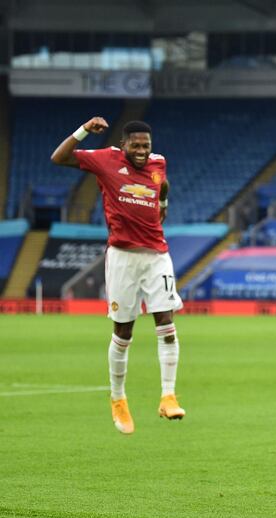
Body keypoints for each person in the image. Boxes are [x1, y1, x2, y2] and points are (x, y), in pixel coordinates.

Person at [51, 118, 185, 435]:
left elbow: (162, 183)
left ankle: (168, 395)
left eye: (146, 146)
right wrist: (82, 130)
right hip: (122, 257)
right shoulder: (105, 159)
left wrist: (163, 202)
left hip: (156, 256)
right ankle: (118, 399)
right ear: (123, 145)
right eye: (135, 145)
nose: (141, 151)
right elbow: (59, 158)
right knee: (123, 332)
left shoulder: (158, 163)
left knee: (166, 325)